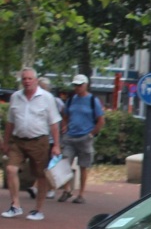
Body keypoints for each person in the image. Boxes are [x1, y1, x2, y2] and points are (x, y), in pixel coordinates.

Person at [2, 67, 62, 220]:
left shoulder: (47, 97)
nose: (27, 81)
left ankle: (38, 209)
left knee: (40, 175)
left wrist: (56, 145)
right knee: (10, 169)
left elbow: (54, 123)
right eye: (24, 79)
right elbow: (10, 121)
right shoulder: (16, 97)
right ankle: (15, 205)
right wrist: (6, 141)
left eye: (30, 79)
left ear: (36, 80)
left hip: (39, 141)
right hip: (18, 141)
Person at [57, 74, 105, 204]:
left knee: (83, 166)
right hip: (70, 136)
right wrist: (65, 126)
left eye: (80, 85)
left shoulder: (92, 100)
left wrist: (91, 134)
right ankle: (67, 190)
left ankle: (81, 194)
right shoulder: (71, 100)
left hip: (85, 137)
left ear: (86, 85)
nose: (77, 87)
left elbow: (100, 120)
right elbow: (65, 116)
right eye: (75, 85)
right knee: (64, 163)